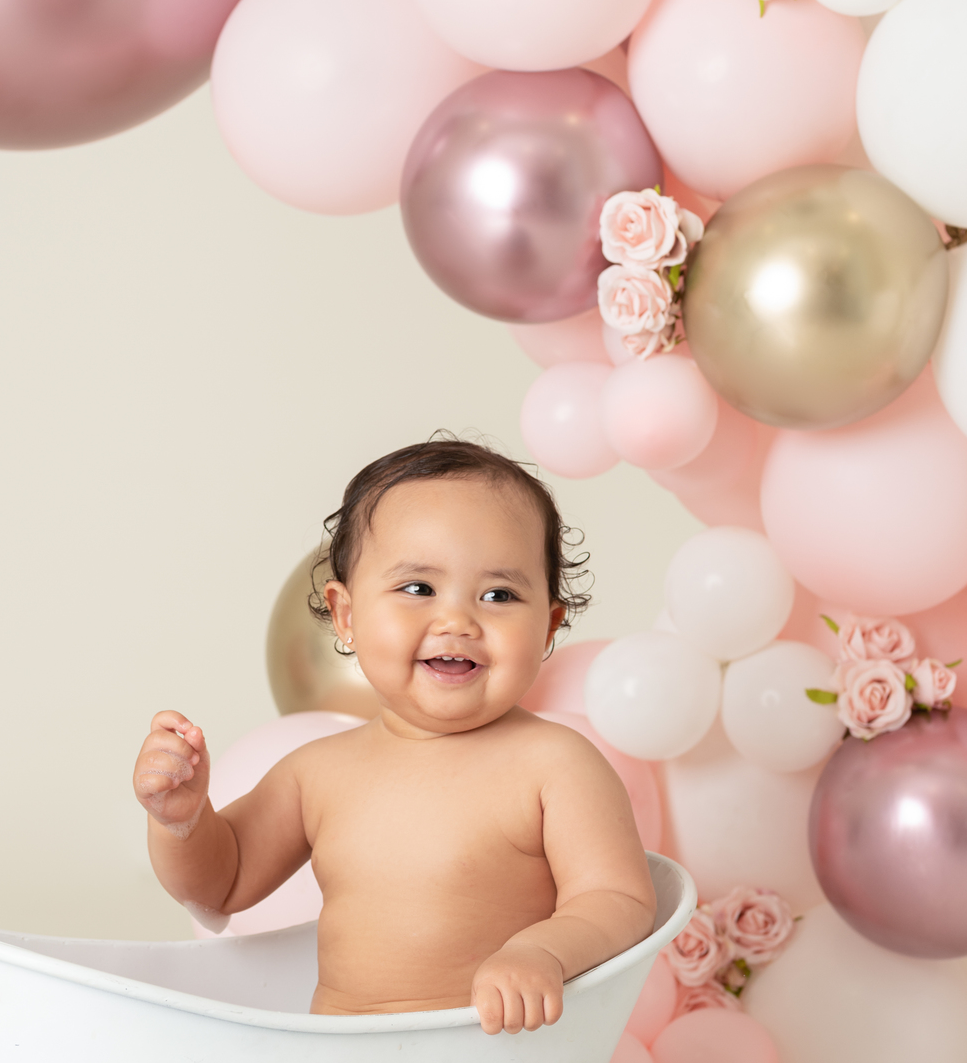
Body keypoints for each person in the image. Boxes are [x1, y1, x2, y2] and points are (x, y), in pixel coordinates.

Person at [133, 438, 656, 1033]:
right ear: (347, 616)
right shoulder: (317, 774)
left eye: (499, 595)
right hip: (341, 1058)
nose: (457, 620)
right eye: (418, 588)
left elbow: (620, 900)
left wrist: (544, 952)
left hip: (494, 1057)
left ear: (548, 628)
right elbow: (220, 885)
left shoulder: (555, 764)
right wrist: (181, 820)